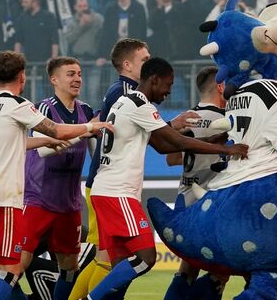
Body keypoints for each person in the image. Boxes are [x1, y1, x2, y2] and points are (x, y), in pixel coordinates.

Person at [0, 51, 114, 300]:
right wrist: (91, 126)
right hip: (7, 199)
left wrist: (46, 140)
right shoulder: (20, 105)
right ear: (22, 78)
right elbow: (56, 129)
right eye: (71, 74)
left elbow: (11, 143)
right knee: (10, 269)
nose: (77, 78)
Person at [87, 58, 248, 300]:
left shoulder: (124, 101)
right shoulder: (140, 105)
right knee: (146, 258)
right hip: (117, 192)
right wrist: (227, 150)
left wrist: (213, 142)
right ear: (154, 79)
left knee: (121, 264)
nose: (170, 91)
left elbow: (163, 147)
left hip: (105, 190)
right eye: (168, 84)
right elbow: (177, 142)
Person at [69, 39, 196, 299]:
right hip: (110, 185)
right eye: (144, 60)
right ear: (127, 65)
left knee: (110, 259)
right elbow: (135, 135)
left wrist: (170, 124)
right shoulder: (124, 93)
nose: (150, 64)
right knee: (105, 260)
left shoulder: (124, 91)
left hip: (105, 182)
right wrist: (172, 126)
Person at [19, 57, 97, 300]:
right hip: (37, 200)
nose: (77, 79)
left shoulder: (86, 111)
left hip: (68, 204)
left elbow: (96, 154)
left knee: (70, 268)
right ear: (54, 79)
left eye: (79, 74)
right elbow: (42, 149)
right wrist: (85, 130)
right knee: (16, 264)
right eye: (70, 74)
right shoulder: (42, 109)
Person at [163, 66, 228, 299]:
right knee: (221, 272)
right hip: (211, 204)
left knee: (188, 268)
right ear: (221, 87)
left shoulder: (187, 118)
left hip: (185, 199)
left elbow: (171, 159)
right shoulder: (226, 121)